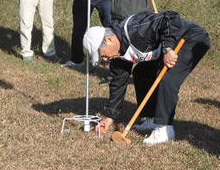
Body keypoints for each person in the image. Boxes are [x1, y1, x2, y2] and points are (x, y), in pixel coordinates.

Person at [83, 10, 210, 145]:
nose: (104, 59)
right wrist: (110, 116)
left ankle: (164, 129)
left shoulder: (137, 28)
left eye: (102, 54)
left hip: (190, 40)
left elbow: (169, 18)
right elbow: (117, 83)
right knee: (142, 72)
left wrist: (168, 49)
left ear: (109, 39)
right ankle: (152, 118)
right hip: (169, 46)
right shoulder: (117, 54)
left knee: (167, 78)